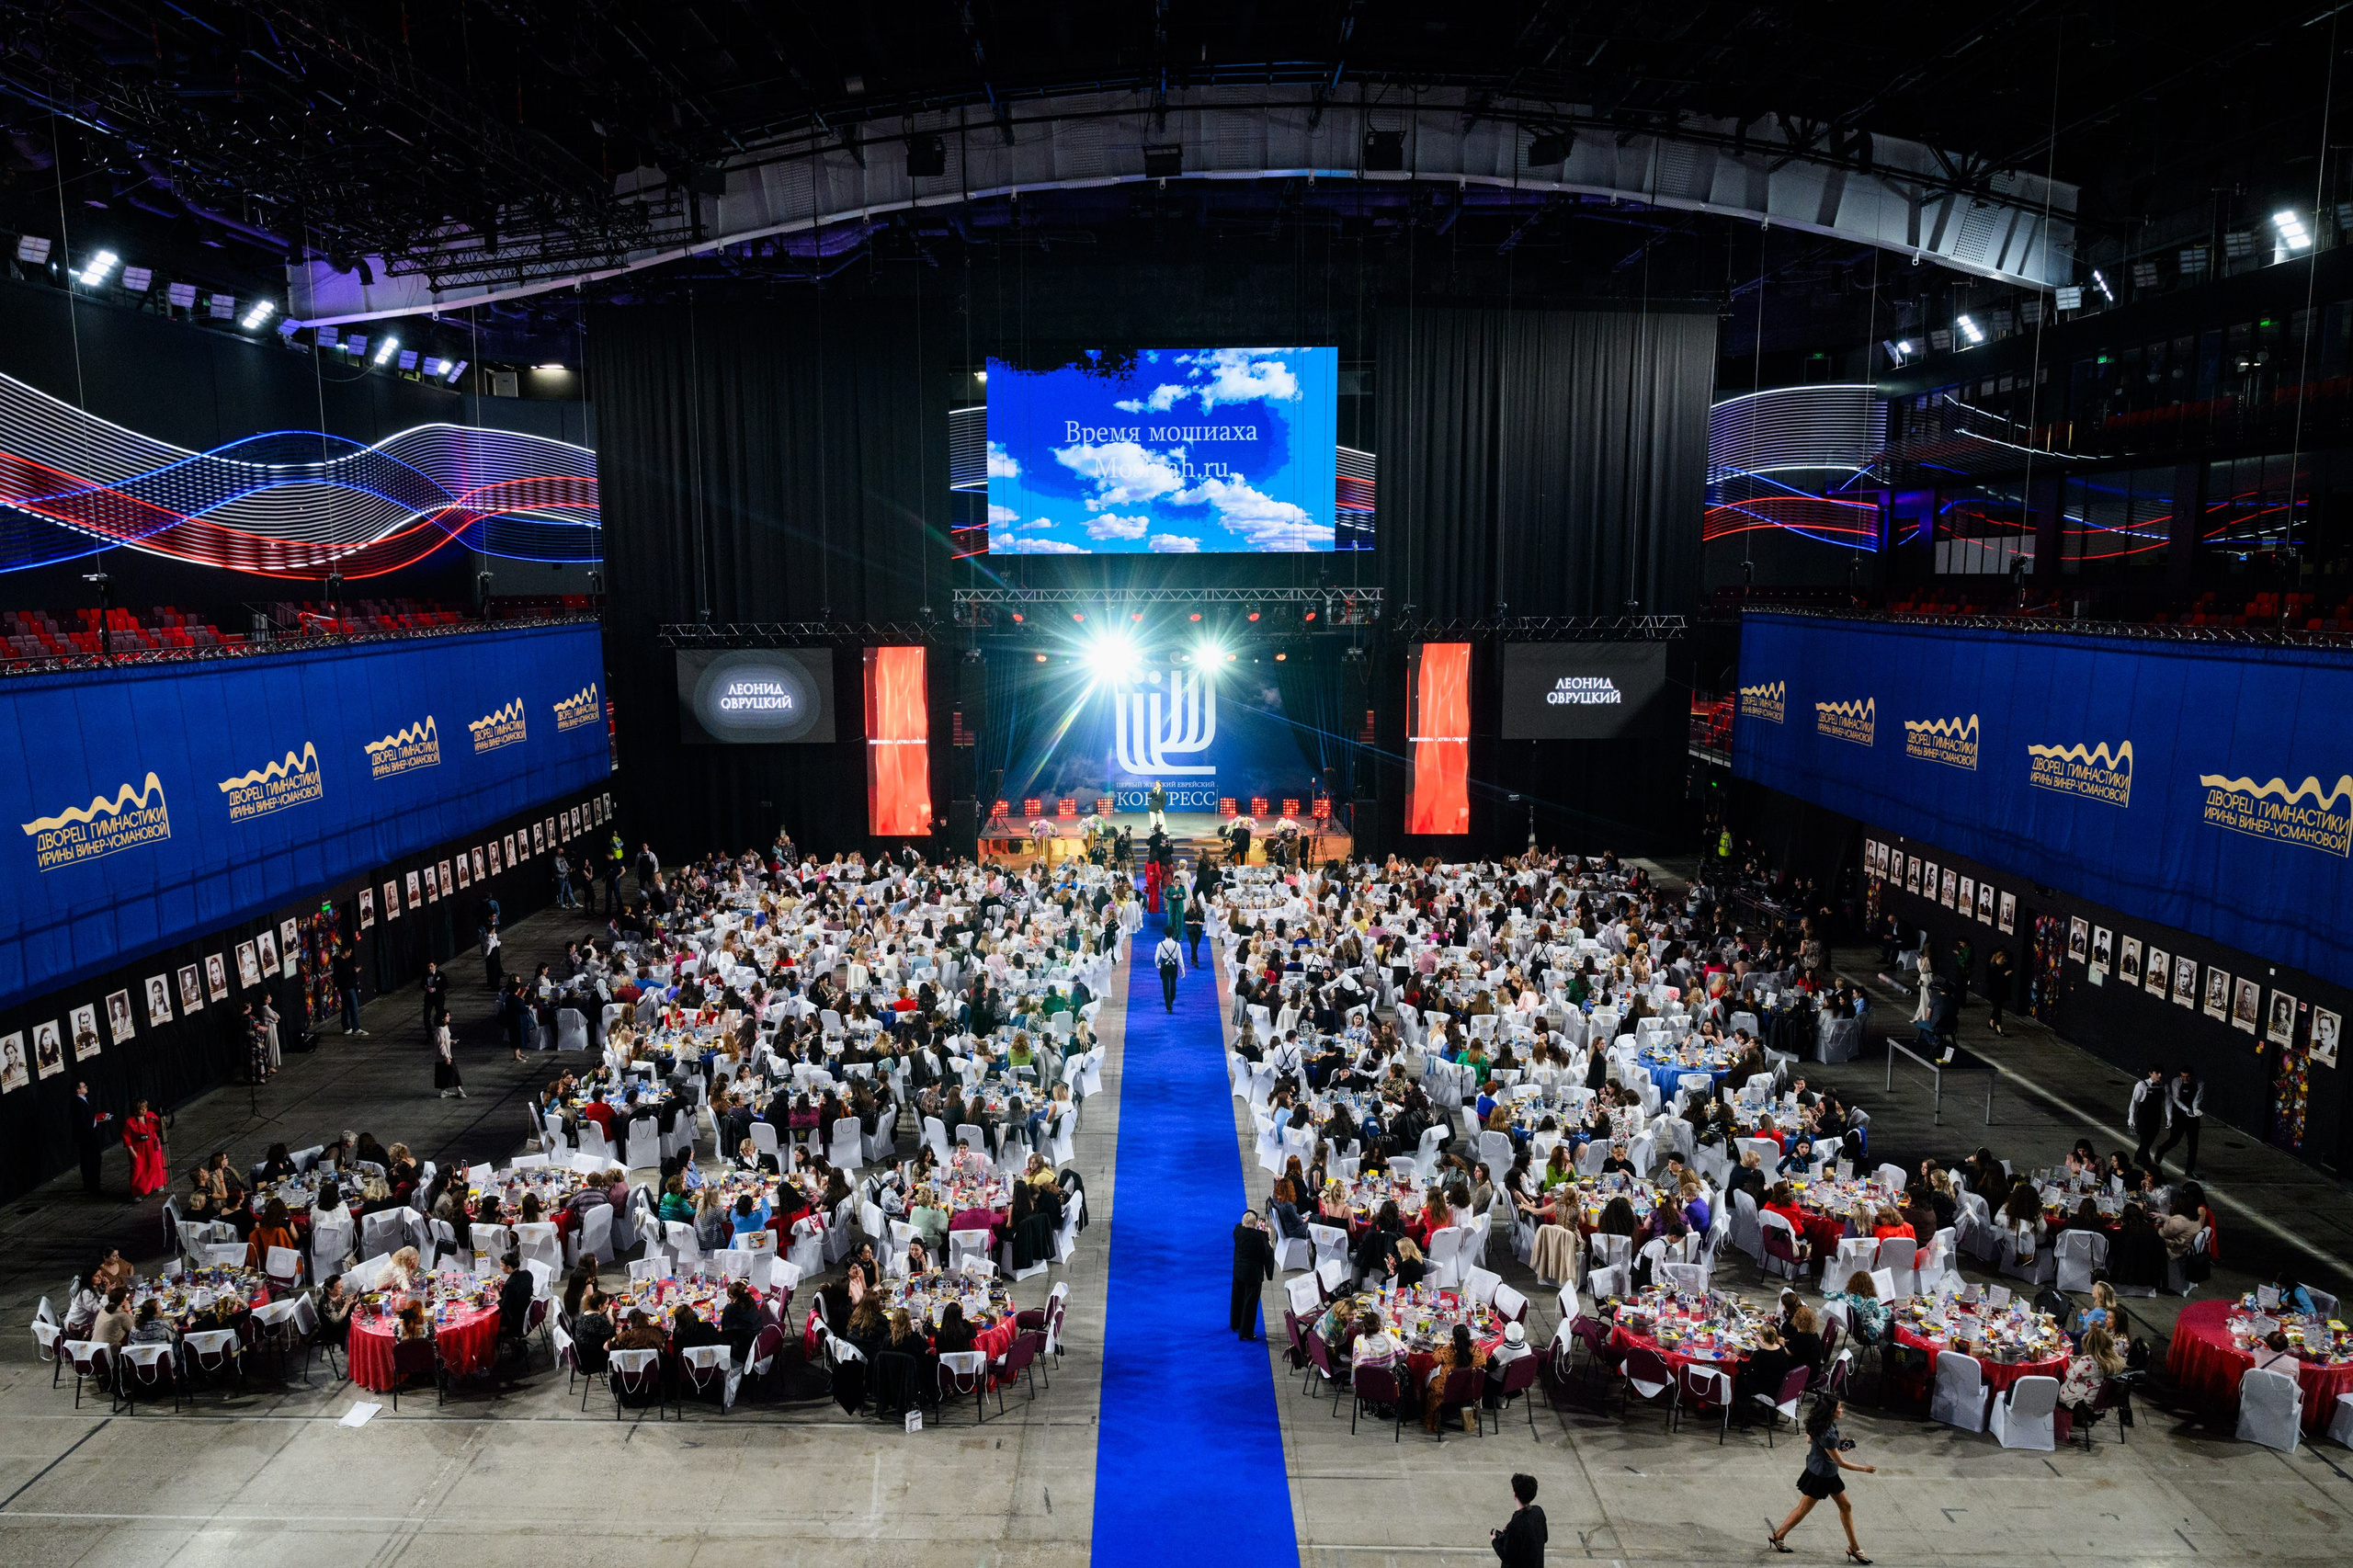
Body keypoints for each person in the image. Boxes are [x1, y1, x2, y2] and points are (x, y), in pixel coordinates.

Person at [1768, 1395, 1876, 1562]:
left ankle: (1854, 1547)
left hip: (1820, 1470)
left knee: (1845, 1506)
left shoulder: (1818, 1424)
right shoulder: (1828, 1433)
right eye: (1839, 1408)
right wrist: (1865, 1469)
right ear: (1831, 1412)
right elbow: (1840, 1462)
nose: (1841, 1410)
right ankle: (1779, 1535)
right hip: (1822, 1476)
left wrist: (1835, 1446)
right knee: (1804, 1509)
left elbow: (1810, 1440)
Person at [2153, 1065, 2203, 1179]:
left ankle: (2189, 1170)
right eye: (2183, 1077)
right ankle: (2161, 1150)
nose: (2185, 1079)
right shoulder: (2176, 1082)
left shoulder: (2199, 1083)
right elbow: (2176, 1098)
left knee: (2193, 1145)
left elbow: (2198, 1098)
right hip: (2179, 1114)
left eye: (2187, 1077)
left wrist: (2194, 1110)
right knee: (2174, 1140)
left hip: (2193, 1116)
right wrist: (2186, 1109)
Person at [1230, 1210, 1274, 1340]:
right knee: (1250, 1304)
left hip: (1238, 1272)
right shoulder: (1260, 1237)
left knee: (1237, 1298)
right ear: (1255, 1224)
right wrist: (1268, 1236)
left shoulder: (1238, 1231)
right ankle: (1246, 1332)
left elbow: (1242, 1225)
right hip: (1253, 1276)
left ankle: (1235, 1323)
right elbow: (1268, 1253)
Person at [1491, 1472, 1547, 1567]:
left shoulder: (1515, 1525)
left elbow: (1507, 1556)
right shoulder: (1538, 1512)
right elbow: (1544, 1538)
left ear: (1515, 1495)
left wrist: (1494, 1541)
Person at [71, 1082, 114, 1196]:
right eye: (84, 1086)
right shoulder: (77, 1103)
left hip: (89, 1134)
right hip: (87, 1136)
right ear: (78, 1090)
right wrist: (90, 1131)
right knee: (92, 1159)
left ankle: (91, 1184)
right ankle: (93, 1185)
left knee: (89, 1159)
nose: (86, 1087)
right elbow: (81, 1121)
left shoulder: (83, 1100)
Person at [120, 1098, 168, 1198]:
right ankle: (136, 1192)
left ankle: (157, 1184)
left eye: (145, 1108)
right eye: (142, 1109)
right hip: (139, 1148)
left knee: (156, 1165)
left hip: (152, 1146)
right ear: (136, 1111)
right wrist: (131, 1150)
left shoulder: (151, 1115)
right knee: (138, 1169)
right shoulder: (130, 1122)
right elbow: (126, 1138)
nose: (145, 1111)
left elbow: (160, 1126)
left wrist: (160, 1120)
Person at [434, 1010, 466, 1098]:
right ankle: (459, 1090)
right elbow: (441, 1045)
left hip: (446, 1055)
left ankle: (443, 1091)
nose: (449, 1017)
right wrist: (447, 1057)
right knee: (454, 1072)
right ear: (442, 1018)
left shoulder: (445, 1027)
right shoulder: (440, 1030)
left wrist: (451, 1041)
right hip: (444, 1056)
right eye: (447, 1016)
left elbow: (445, 1040)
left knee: (443, 1073)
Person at [1156, 927, 1184, 1013]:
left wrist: (1158, 964)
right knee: (1173, 984)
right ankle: (1171, 1000)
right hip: (1173, 965)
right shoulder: (1177, 945)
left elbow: (1157, 957)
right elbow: (1180, 959)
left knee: (1165, 986)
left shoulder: (1160, 944)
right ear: (1173, 934)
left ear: (1164, 934)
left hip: (1165, 965)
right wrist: (1182, 969)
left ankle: (1168, 1006)